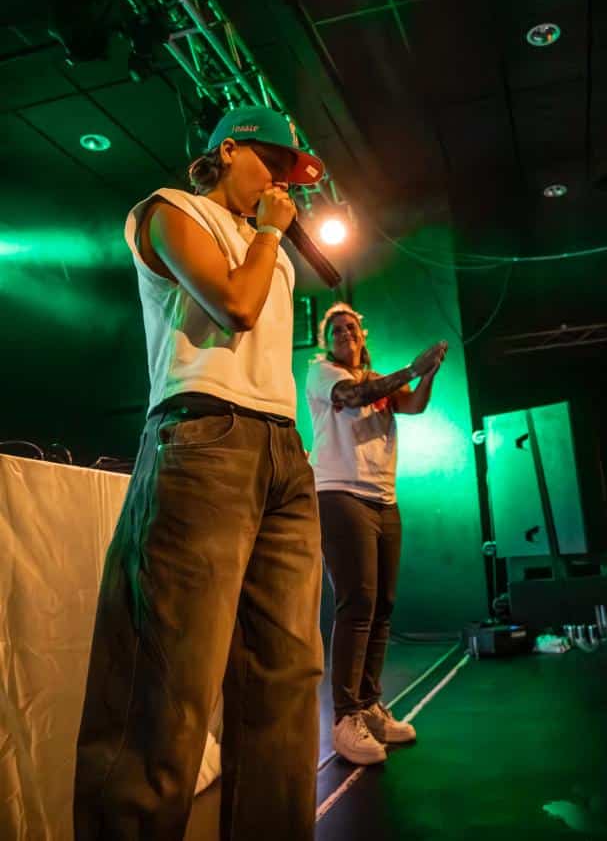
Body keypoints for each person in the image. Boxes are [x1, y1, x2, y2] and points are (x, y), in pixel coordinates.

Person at [74, 105, 324, 841]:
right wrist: (270, 231)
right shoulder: (170, 211)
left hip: (284, 449)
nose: (282, 184)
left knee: (284, 681)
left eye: (290, 175)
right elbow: (234, 306)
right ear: (231, 149)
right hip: (204, 436)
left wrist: (267, 235)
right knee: (170, 678)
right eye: (272, 164)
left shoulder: (271, 251)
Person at [305, 302, 447, 765]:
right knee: (358, 602)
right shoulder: (323, 373)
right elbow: (353, 397)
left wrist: (427, 375)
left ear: (362, 335)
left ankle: (368, 705)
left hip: (383, 498)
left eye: (351, 327)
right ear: (327, 342)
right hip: (340, 494)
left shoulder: (382, 380)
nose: (345, 333)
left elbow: (413, 404)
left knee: (383, 604)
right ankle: (345, 718)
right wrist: (413, 368)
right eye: (336, 329)